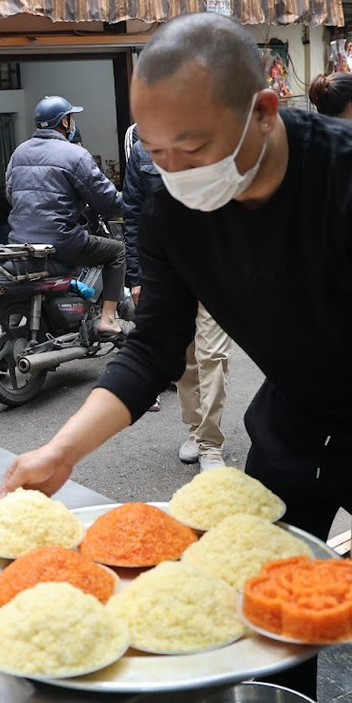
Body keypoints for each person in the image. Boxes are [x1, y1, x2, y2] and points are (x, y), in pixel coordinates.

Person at [0, 13, 352, 703]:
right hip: (294, 417)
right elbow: (153, 346)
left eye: (192, 147)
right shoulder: (168, 207)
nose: (176, 171)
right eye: (155, 151)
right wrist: (60, 449)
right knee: (265, 619)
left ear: (265, 110)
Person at [123, 123, 231, 465]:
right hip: (169, 276)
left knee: (213, 355)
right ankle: (195, 431)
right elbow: (133, 215)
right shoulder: (142, 151)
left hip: (214, 271)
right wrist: (136, 277)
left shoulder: (214, 137)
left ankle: (211, 442)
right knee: (185, 362)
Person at [6, 95, 125, 337]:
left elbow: (11, 193)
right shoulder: (74, 155)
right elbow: (106, 200)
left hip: (20, 241)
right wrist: (127, 205)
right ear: (64, 122)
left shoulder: (19, 153)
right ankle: (108, 319)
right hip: (60, 241)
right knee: (117, 252)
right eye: (71, 118)